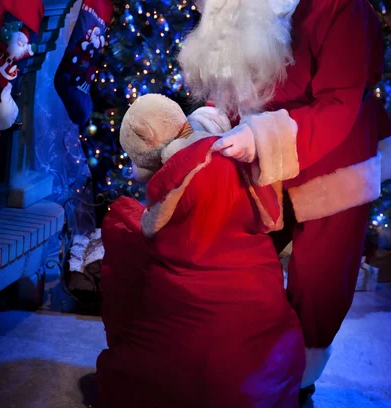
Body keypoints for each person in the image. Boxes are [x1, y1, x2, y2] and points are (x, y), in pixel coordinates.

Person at [178, 0, 391, 401]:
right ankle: (237, 363)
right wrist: (208, 121)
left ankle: (299, 384)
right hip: (262, 159)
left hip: (335, 164)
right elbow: (232, 81)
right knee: (225, 257)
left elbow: (341, 105)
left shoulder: (337, 1)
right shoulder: (234, 0)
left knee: (318, 285)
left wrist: (259, 136)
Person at [97, 93, 305, 408]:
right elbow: (273, 219)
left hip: (196, 291)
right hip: (256, 290)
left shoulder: (177, 170)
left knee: (121, 227)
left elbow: (151, 226)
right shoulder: (234, 150)